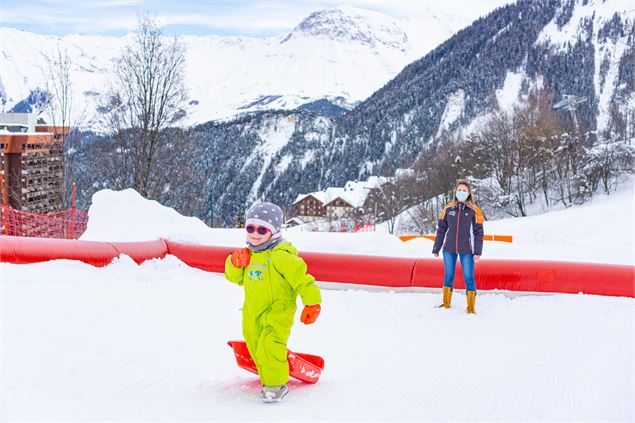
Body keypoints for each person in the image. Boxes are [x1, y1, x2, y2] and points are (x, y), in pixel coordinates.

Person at [224, 201, 322, 403]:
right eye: (250, 228)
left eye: (262, 229)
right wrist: (234, 263)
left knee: (270, 344)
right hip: (252, 311)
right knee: (253, 341)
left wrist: (312, 303)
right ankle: (267, 370)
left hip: (278, 311)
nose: (255, 233)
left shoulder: (282, 257)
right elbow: (236, 278)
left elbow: (303, 281)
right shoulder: (248, 256)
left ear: (274, 231)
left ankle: (276, 384)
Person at [432, 179, 484, 313]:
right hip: (449, 249)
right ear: (455, 192)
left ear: (469, 193)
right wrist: (436, 248)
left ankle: (471, 307)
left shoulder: (474, 211)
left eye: (464, 190)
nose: (461, 192)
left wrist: (477, 252)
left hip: (467, 250)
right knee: (448, 275)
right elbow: (441, 229)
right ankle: (446, 303)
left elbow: (478, 233)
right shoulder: (448, 209)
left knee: (469, 277)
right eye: (459, 190)